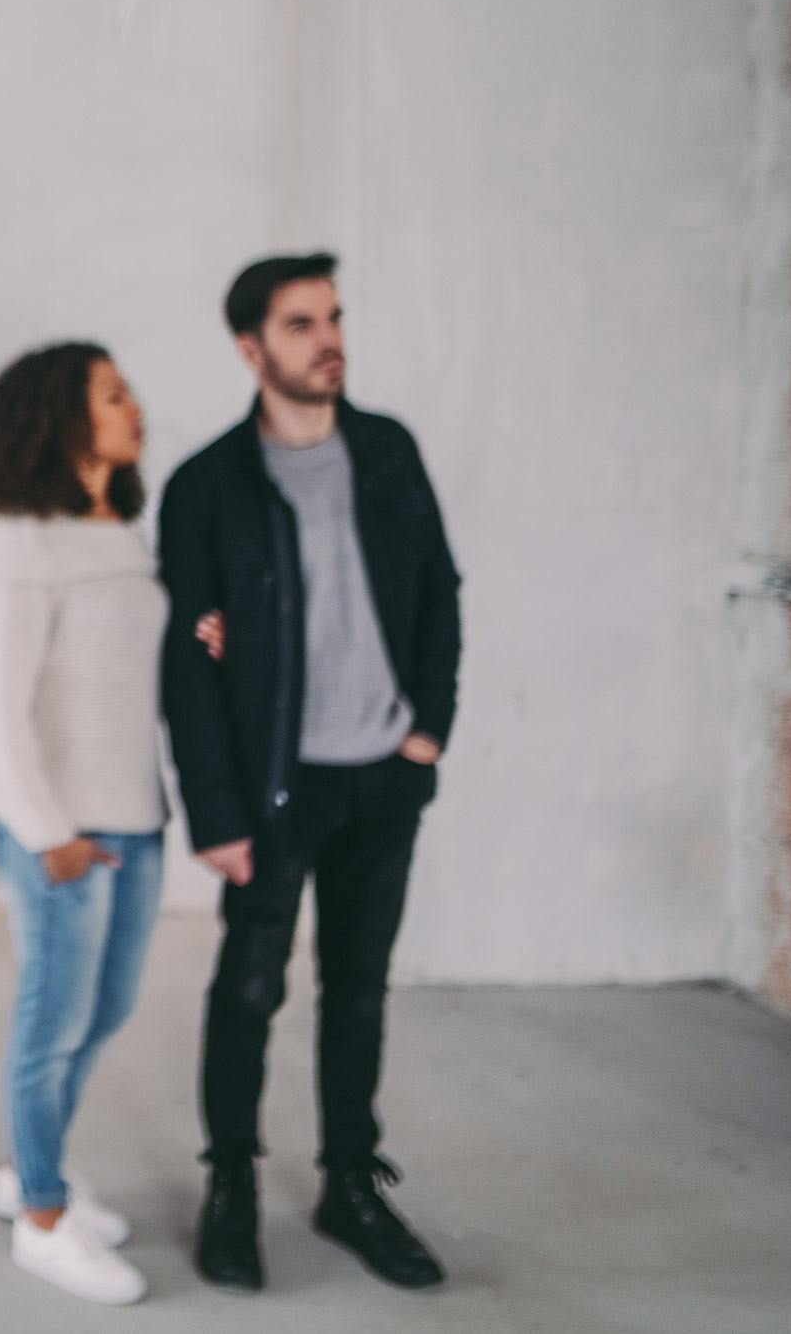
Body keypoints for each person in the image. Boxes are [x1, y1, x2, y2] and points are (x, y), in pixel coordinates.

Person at [157, 252, 461, 1294]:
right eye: (299, 324)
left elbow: (437, 593)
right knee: (249, 989)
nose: (326, 338)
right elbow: (185, 667)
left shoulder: (386, 452)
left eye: (331, 318)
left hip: (382, 774)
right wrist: (215, 810)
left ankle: (349, 1186)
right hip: (274, 792)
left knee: (358, 992)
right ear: (251, 348)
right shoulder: (207, 486)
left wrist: (425, 735)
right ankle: (232, 1184)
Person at [0, 342, 168, 1307]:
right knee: (52, 1025)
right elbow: (0, 712)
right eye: (113, 396)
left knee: (105, 1010)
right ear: (61, 419)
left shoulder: (122, 536)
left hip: (136, 820)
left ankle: (23, 1168)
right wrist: (52, 835)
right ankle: (42, 1217)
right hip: (61, 838)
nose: (135, 408)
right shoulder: (19, 547)